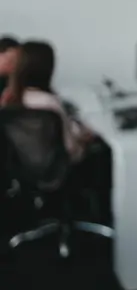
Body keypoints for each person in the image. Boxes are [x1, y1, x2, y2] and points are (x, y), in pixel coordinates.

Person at [2, 41, 113, 224]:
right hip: (60, 168)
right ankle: (102, 216)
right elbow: (69, 147)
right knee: (103, 150)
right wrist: (84, 136)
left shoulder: (9, 97)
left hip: (24, 168)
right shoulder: (49, 102)